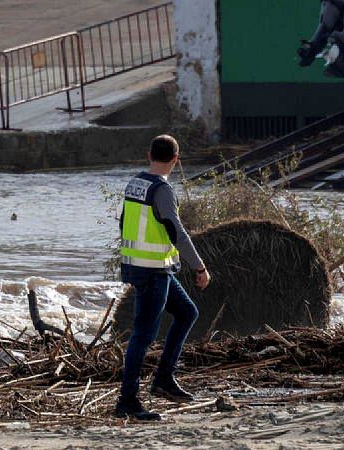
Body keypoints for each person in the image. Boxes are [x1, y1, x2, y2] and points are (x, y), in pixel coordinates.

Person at [115, 134, 211, 421]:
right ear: (176, 159)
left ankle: (163, 380)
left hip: (145, 267)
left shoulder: (136, 183)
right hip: (152, 271)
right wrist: (200, 267)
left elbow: (123, 222)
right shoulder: (163, 190)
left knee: (187, 313)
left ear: (149, 155)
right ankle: (127, 401)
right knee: (142, 336)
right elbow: (177, 232)